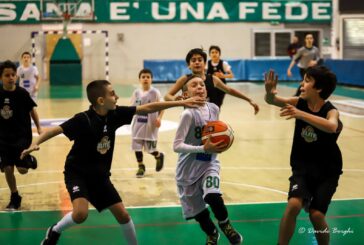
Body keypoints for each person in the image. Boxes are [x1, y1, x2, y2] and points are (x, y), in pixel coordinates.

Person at [21, 79, 204, 245]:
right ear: (101, 101)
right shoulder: (83, 120)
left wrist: (180, 102)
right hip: (77, 173)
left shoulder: (115, 114)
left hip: (100, 176)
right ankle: (54, 231)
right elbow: (56, 130)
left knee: (123, 215)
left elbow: (149, 107)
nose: (116, 96)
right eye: (112, 93)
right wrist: (34, 143)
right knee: (80, 214)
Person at [264, 67, 343, 245]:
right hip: (302, 167)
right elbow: (273, 100)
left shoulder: (331, 111)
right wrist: (269, 92)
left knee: (316, 215)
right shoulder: (298, 102)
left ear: (319, 88)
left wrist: (300, 114)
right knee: (293, 205)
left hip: (327, 171)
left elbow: (331, 126)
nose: (302, 83)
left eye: (307, 80)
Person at [173, 74, 243, 245]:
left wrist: (221, 143)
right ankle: (212, 233)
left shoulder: (214, 108)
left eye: (202, 84)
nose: (199, 87)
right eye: (194, 85)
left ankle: (226, 226)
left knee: (212, 195)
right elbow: (176, 146)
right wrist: (203, 148)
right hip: (187, 170)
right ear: (185, 94)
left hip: (209, 163)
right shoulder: (188, 115)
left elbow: (214, 134)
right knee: (199, 213)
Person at [164, 48, 259, 113]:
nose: (197, 62)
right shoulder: (184, 79)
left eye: (200, 60)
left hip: (211, 120)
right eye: (193, 60)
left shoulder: (212, 79)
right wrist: (174, 99)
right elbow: (167, 96)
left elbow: (229, 90)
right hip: (191, 118)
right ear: (189, 65)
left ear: (205, 63)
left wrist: (249, 99)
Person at [0, 60, 42, 210]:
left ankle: (29, 159)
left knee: (22, 170)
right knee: (8, 168)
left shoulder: (22, 93)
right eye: (7, 75)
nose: (11, 77)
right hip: (3, 139)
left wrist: (38, 127)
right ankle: (15, 196)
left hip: (21, 137)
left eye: (13, 75)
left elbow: (32, 111)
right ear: (1, 77)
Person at [131, 68, 165, 178]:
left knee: (150, 149)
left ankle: (158, 155)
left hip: (151, 125)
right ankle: (141, 166)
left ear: (151, 79)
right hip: (138, 124)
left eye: (148, 77)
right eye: (143, 77)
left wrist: (159, 118)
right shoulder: (136, 92)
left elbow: (162, 106)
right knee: (137, 147)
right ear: (139, 79)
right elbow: (131, 107)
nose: (145, 79)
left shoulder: (155, 92)